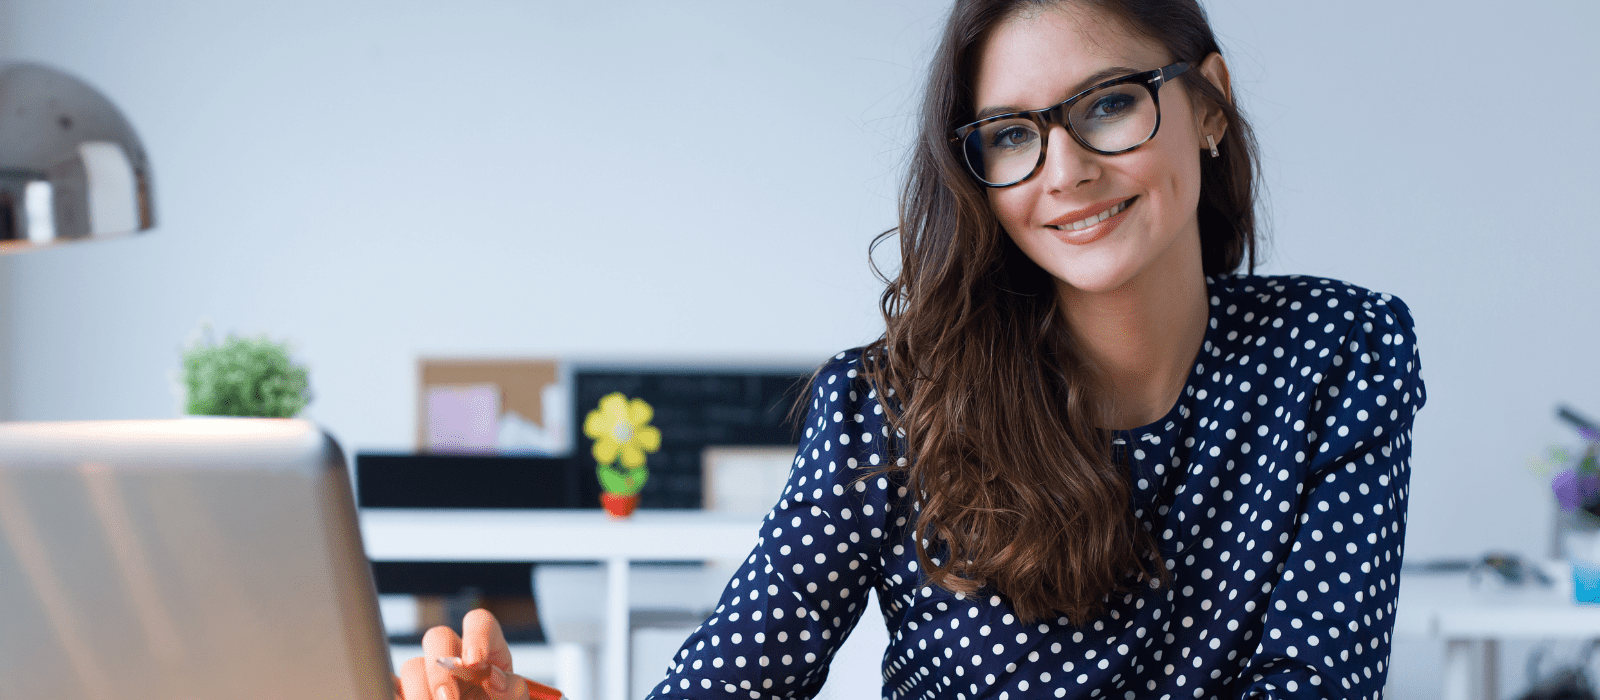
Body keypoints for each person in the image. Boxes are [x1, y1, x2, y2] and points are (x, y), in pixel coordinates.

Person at [396, 0, 1426, 698]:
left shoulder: (1337, 356)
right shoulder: (892, 404)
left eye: (1109, 103)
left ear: (1207, 104)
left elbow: (1313, 682)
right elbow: (735, 678)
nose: (1062, 169)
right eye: (1013, 134)